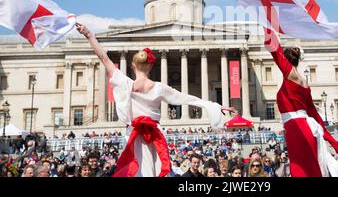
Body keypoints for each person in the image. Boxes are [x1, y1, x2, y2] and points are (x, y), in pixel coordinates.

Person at [76, 23, 235, 177]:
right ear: (151, 66)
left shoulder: (125, 84)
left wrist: (89, 34)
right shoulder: (159, 88)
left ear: (132, 65)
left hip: (133, 134)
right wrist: (215, 105)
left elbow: (103, 57)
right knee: (156, 170)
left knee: (135, 170)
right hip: (156, 135)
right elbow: (188, 98)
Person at [263, 28, 338, 177]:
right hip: (307, 128)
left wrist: (267, 20)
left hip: (296, 127)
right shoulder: (304, 82)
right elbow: (314, 114)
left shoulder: (290, 74)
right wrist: (332, 140)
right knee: (311, 168)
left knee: (300, 170)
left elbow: (274, 49)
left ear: (285, 60)